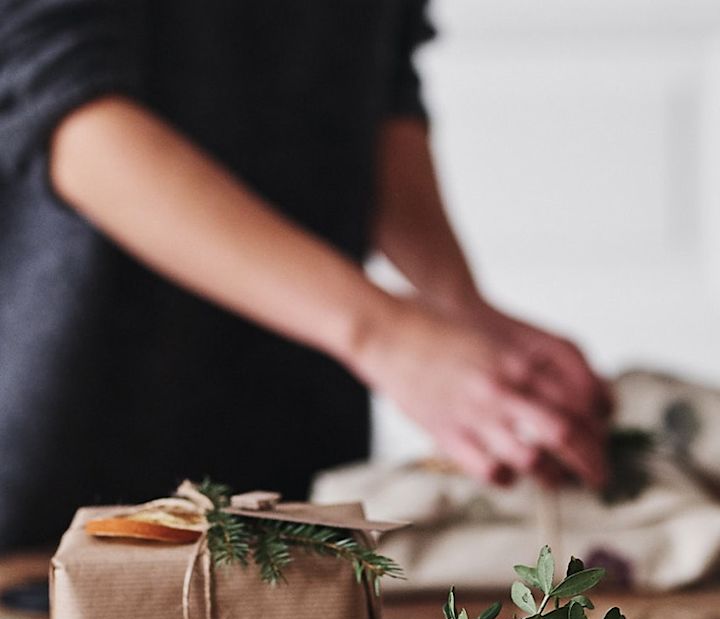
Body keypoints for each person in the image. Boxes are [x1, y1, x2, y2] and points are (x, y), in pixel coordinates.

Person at [0, 0, 610, 551]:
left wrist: (457, 309)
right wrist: (388, 336)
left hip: (293, 443)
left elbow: (379, 95)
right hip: (68, 430)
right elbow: (75, 122)